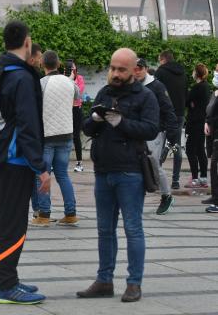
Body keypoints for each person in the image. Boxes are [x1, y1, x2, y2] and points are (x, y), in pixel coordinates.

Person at [77, 48, 159, 303]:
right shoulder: (104, 92)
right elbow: (87, 128)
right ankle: (104, 280)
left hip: (130, 172)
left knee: (133, 229)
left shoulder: (145, 96)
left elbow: (151, 129)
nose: (115, 73)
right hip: (103, 171)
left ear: (134, 70)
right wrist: (95, 119)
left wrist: (120, 122)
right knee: (104, 230)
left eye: (121, 69)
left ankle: (134, 283)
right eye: (113, 68)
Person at [0, 21, 50, 305]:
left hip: (2, 157)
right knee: (14, 223)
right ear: (27, 42)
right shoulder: (22, 78)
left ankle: (7, 278)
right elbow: (28, 125)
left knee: (8, 220)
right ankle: (6, 285)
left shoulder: (0, 71)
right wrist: (41, 167)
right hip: (17, 159)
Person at [31, 50, 79, 227]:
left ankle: (43, 214)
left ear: (42, 64)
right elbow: (77, 98)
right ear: (58, 64)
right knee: (62, 174)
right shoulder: (70, 83)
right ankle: (70, 213)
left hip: (47, 135)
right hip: (66, 134)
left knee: (42, 174)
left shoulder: (41, 83)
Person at [134, 58, 179, 215]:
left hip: (155, 130)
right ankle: (135, 197)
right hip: (137, 130)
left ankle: (166, 195)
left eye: (139, 68)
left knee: (153, 161)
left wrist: (173, 133)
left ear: (146, 68)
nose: (137, 71)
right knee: (135, 163)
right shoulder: (132, 86)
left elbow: (168, 109)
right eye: (134, 68)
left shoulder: (157, 86)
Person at [155, 50, 188, 189]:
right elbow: (186, 94)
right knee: (176, 146)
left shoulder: (160, 72)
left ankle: (157, 179)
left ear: (163, 60)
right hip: (179, 114)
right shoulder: (183, 74)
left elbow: (156, 92)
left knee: (159, 146)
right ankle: (175, 180)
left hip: (164, 113)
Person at [184, 64, 210, 189]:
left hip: (194, 122)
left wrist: (191, 104)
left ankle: (194, 178)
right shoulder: (206, 86)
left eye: (194, 71)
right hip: (202, 122)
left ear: (197, 73)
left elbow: (187, 101)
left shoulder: (197, 87)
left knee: (190, 149)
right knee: (200, 149)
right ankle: (204, 178)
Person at [204, 65, 218, 213]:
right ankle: (215, 196)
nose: (215, 74)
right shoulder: (214, 93)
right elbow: (210, 110)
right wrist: (207, 122)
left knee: (215, 165)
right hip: (213, 133)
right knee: (213, 166)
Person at [70, 60, 85, 172]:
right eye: (70, 69)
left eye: (73, 69)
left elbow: (78, 94)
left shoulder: (79, 78)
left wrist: (72, 80)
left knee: (76, 136)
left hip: (76, 110)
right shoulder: (63, 79)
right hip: (66, 109)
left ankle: (79, 163)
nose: (72, 71)